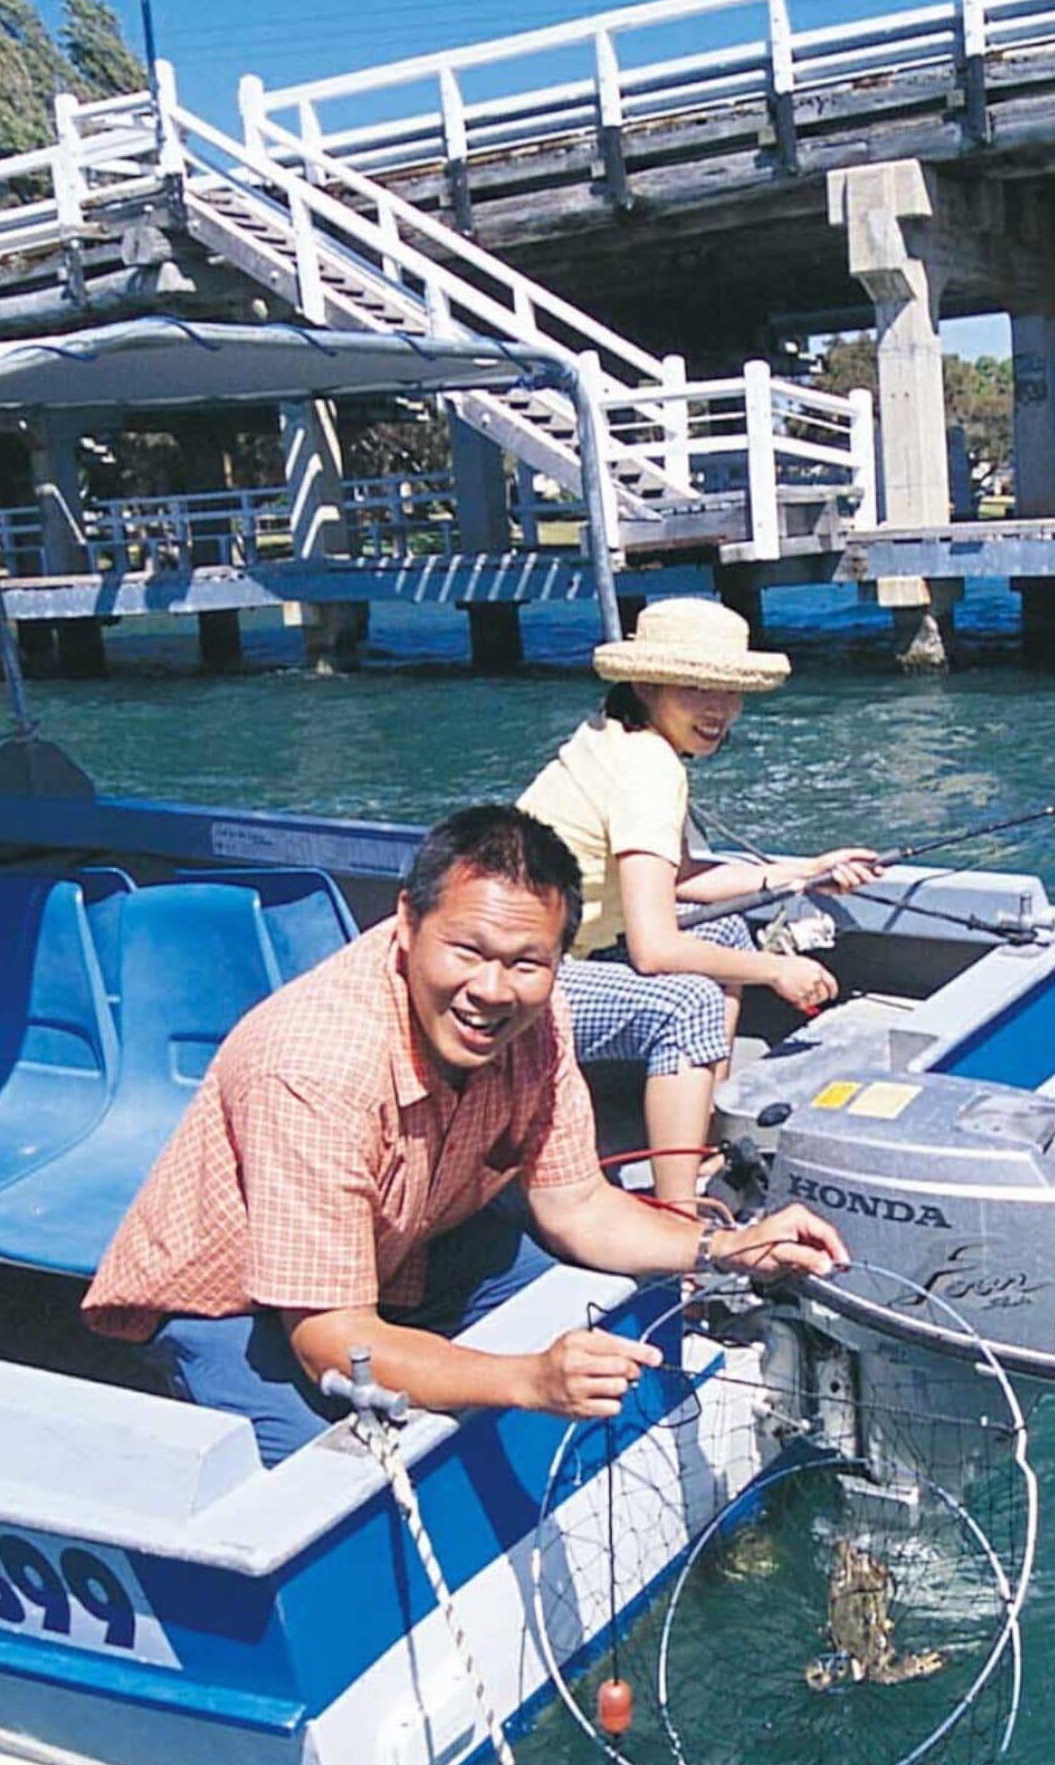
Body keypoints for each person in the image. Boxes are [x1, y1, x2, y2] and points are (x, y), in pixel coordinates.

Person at [80, 805, 851, 1465]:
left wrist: (723, 1247)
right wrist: (526, 1379)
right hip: (237, 1307)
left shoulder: (538, 1017)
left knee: (609, 1303)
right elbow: (330, 1342)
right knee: (340, 1483)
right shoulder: (316, 1066)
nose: (492, 990)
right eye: (467, 951)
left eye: (527, 962)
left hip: (411, 1242)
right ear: (407, 924)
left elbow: (577, 1203)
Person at [516, 598, 883, 1211]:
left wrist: (801, 874)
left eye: (729, 691)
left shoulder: (621, 739)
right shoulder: (649, 770)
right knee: (689, 1003)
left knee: (728, 938)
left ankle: (709, 1132)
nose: (719, 711)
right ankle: (679, 1214)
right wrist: (780, 970)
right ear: (647, 683)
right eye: (695, 688)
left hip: (557, 953)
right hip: (526, 979)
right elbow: (656, 950)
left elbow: (675, 875)